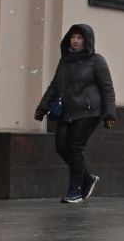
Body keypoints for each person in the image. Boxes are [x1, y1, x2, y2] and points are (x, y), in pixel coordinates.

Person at [34, 23, 116, 204]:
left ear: (87, 41)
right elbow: (55, 86)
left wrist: (109, 114)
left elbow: (107, 89)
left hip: (89, 112)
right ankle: (87, 178)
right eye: (73, 37)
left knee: (75, 147)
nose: (76, 41)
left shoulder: (97, 61)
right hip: (67, 111)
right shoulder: (64, 61)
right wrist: (43, 107)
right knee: (61, 147)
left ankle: (75, 190)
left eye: (80, 38)